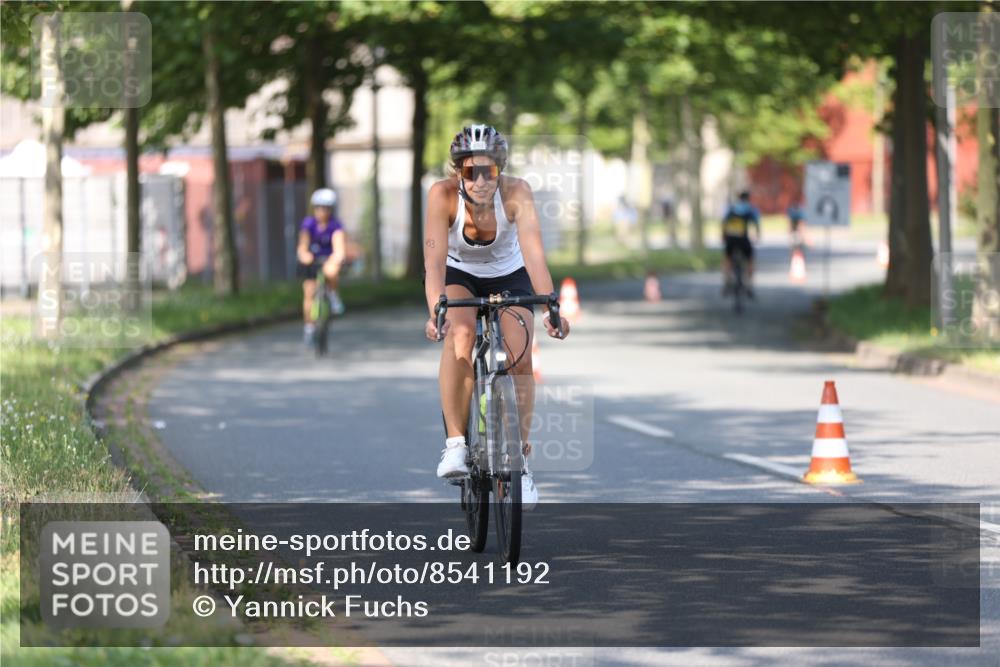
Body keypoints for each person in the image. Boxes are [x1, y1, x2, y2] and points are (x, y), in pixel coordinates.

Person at [423, 124, 570, 508]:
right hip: (459, 274)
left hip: (510, 272)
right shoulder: (441, 196)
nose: (481, 180)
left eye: (490, 171)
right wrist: (435, 310)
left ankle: (519, 462)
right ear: (459, 172)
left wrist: (551, 305)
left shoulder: (517, 192)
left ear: (500, 170)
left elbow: (535, 254)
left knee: (520, 357)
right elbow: (434, 264)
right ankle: (455, 444)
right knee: (461, 336)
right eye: (472, 172)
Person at [297, 188, 346, 344]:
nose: (321, 211)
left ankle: (332, 296)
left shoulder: (335, 225)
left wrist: (337, 257)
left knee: (331, 271)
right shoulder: (308, 223)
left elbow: (339, 247)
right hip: (312, 261)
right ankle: (309, 328)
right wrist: (304, 255)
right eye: (318, 207)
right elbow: (303, 245)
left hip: (328, 259)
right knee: (309, 293)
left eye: (325, 207)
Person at [721, 190, 761, 297]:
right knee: (750, 259)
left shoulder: (731, 208)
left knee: (727, 258)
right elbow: (756, 223)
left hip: (730, 239)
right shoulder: (750, 208)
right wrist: (758, 235)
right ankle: (749, 286)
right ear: (748, 198)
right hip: (743, 239)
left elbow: (724, 222)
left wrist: (723, 236)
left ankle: (727, 281)